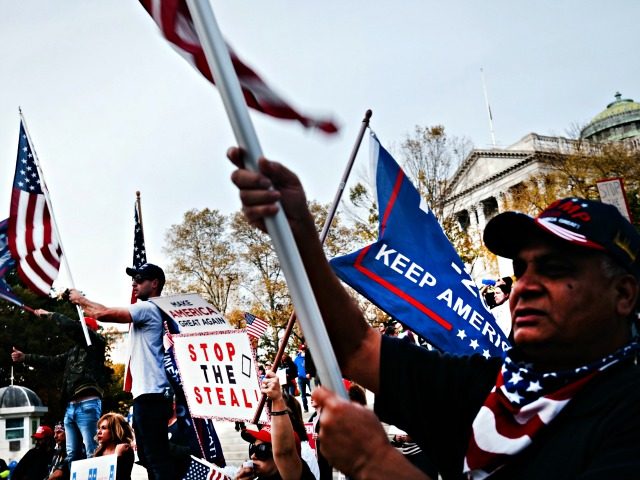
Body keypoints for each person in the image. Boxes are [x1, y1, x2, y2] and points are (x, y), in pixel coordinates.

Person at [228, 147, 640, 479]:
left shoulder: (626, 412)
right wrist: (298, 235)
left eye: (555, 270)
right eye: (521, 269)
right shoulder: (488, 386)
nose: (525, 286)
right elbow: (356, 347)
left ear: (623, 294)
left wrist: (376, 465)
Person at [68, 263, 175, 480]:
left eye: (140, 279)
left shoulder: (148, 308)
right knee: (148, 459)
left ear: (154, 284)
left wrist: (80, 299)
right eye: (133, 279)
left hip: (151, 396)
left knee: (155, 460)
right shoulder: (152, 309)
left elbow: (103, 313)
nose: (134, 283)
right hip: (149, 396)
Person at [11, 309, 107, 463]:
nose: (80, 330)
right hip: (71, 407)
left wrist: (50, 315)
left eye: (84, 327)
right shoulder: (72, 353)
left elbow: (75, 330)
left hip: (87, 404)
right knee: (71, 455)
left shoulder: (96, 344)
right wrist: (25, 358)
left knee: (92, 451)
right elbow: (52, 362)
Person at [235, 371, 315, 480]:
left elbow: (284, 453)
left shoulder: (294, 474)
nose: (253, 456)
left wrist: (277, 399)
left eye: (261, 450)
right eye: (252, 449)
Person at [93, 413, 135, 480]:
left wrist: (118, 456)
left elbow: (121, 477)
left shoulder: (125, 449)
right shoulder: (99, 451)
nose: (99, 432)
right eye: (99, 428)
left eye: (103, 428)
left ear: (115, 430)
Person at [293, 345, 310, 412]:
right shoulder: (297, 359)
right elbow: (294, 368)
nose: (303, 351)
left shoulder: (308, 357)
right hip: (301, 379)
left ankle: (317, 406)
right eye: (302, 350)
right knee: (303, 394)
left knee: (313, 392)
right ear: (299, 350)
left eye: (304, 350)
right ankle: (305, 408)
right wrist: (297, 374)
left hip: (309, 377)